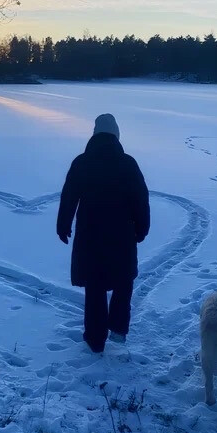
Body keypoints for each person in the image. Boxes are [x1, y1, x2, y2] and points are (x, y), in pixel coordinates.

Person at [57, 113, 150, 353]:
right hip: (122, 236)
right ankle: (118, 328)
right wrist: (142, 227)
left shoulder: (82, 161)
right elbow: (141, 198)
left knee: (95, 287)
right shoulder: (128, 163)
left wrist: (63, 223)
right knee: (123, 281)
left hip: (91, 236)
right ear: (116, 135)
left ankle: (95, 339)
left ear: (95, 134)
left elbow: (69, 196)